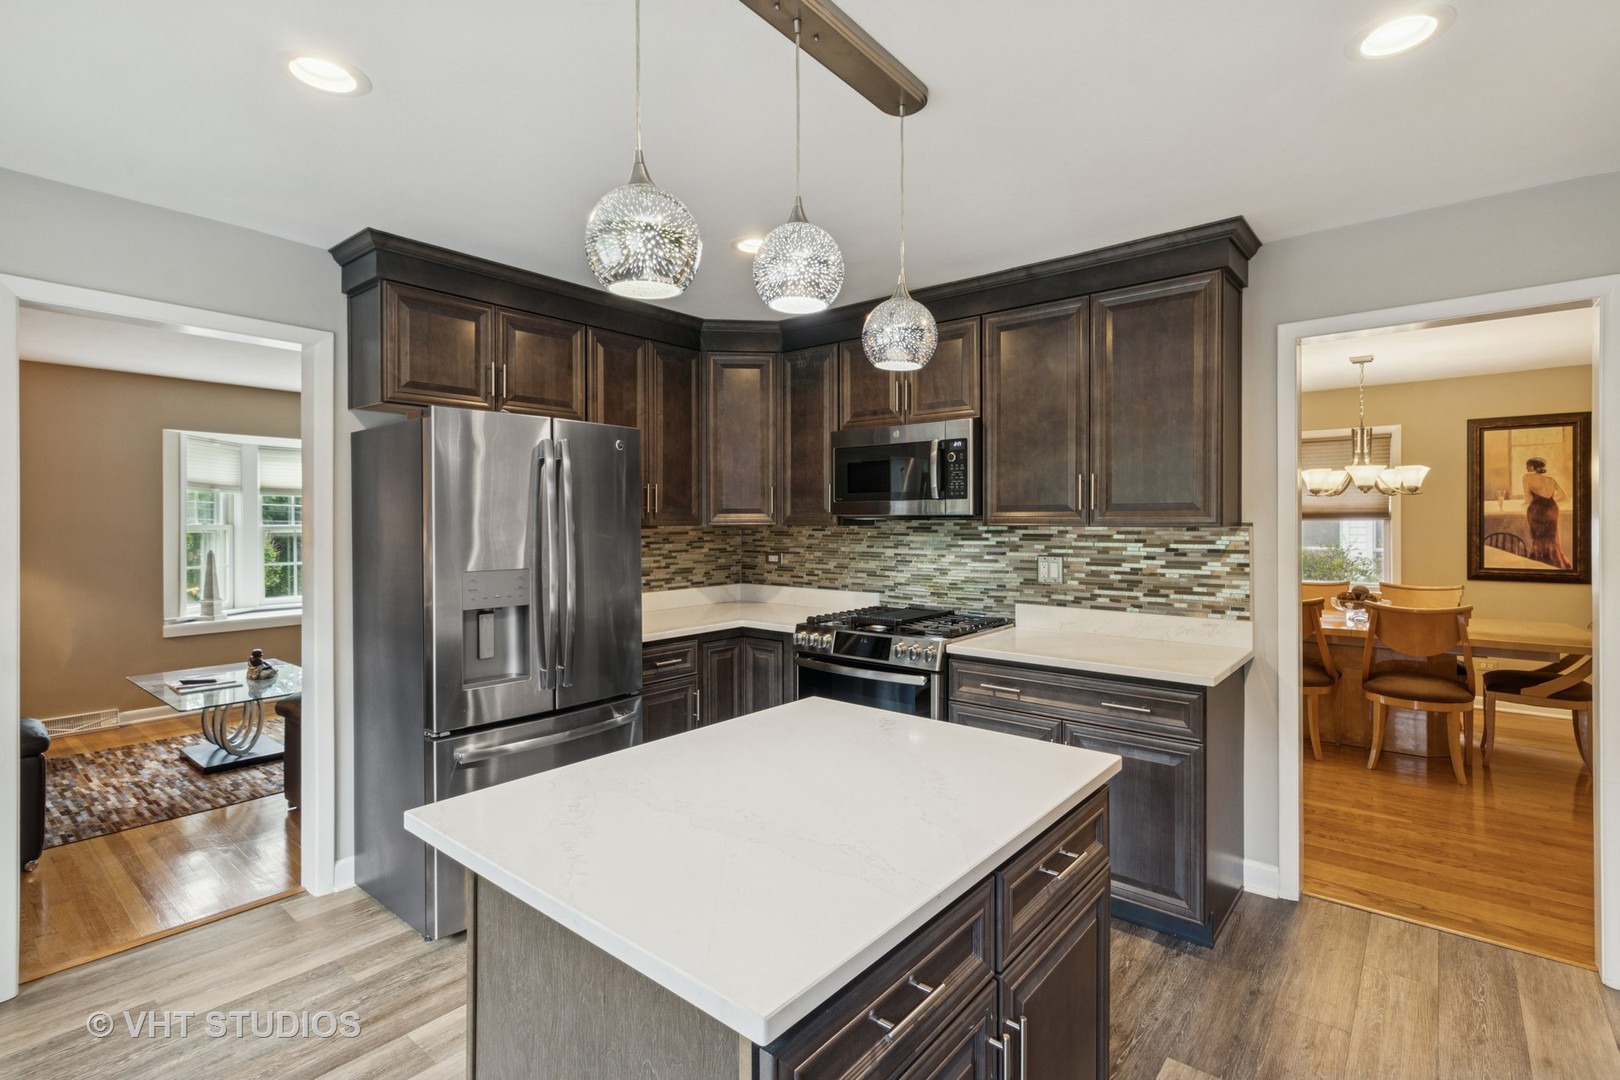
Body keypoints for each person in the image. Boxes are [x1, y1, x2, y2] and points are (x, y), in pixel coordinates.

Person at [1522, 457, 1572, 569]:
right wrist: (1548, 502)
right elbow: (1565, 497)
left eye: (1527, 465)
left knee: (1538, 537)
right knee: (1552, 537)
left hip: (1537, 510)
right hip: (1553, 509)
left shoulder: (1526, 477)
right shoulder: (1550, 479)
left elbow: (1527, 499)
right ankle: (1555, 563)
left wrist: (1539, 502)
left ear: (1532, 467)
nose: (1526, 467)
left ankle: (1539, 563)